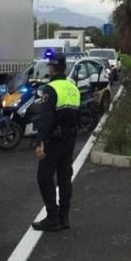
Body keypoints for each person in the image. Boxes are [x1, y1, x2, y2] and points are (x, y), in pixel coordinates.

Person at [31, 52, 81, 232]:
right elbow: (77, 114)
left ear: (51, 68)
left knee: (44, 178)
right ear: (65, 68)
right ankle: (64, 218)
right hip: (70, 139)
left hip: (53, 140)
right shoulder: (72, 87)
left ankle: (52, 217)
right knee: (64, 178)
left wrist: (40, 142)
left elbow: (45, 118)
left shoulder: (49, 89)